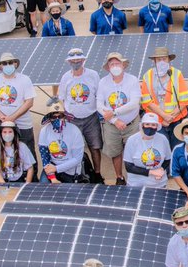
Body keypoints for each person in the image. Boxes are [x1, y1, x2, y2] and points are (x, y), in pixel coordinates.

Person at [55, 47, 103, 177]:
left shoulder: (93, 75)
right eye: (73, 60)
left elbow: (99, 95)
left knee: (95, 147)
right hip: (73, 119)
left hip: (91, 117)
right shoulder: (66, 77)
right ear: (69, 62)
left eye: (78, 60)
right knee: (74, 148)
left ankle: (97, 174)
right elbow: (61, 97)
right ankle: (78, 174)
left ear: (83, 60)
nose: (76, 62)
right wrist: (66, 111)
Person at [97, 51, 141, 185]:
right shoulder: (103, 82)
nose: (115, 66)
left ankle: (134, 177)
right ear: (108, 67)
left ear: (123, 65)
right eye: (112, 64)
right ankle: (119, 177)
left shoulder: (132, 80)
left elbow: (134, 102)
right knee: (115, 151)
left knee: (134, 151)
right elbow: (99, 105)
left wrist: (115, 112)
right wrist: (115, 120)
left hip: (131, 124)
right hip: (112, 125)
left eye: (117, 63)